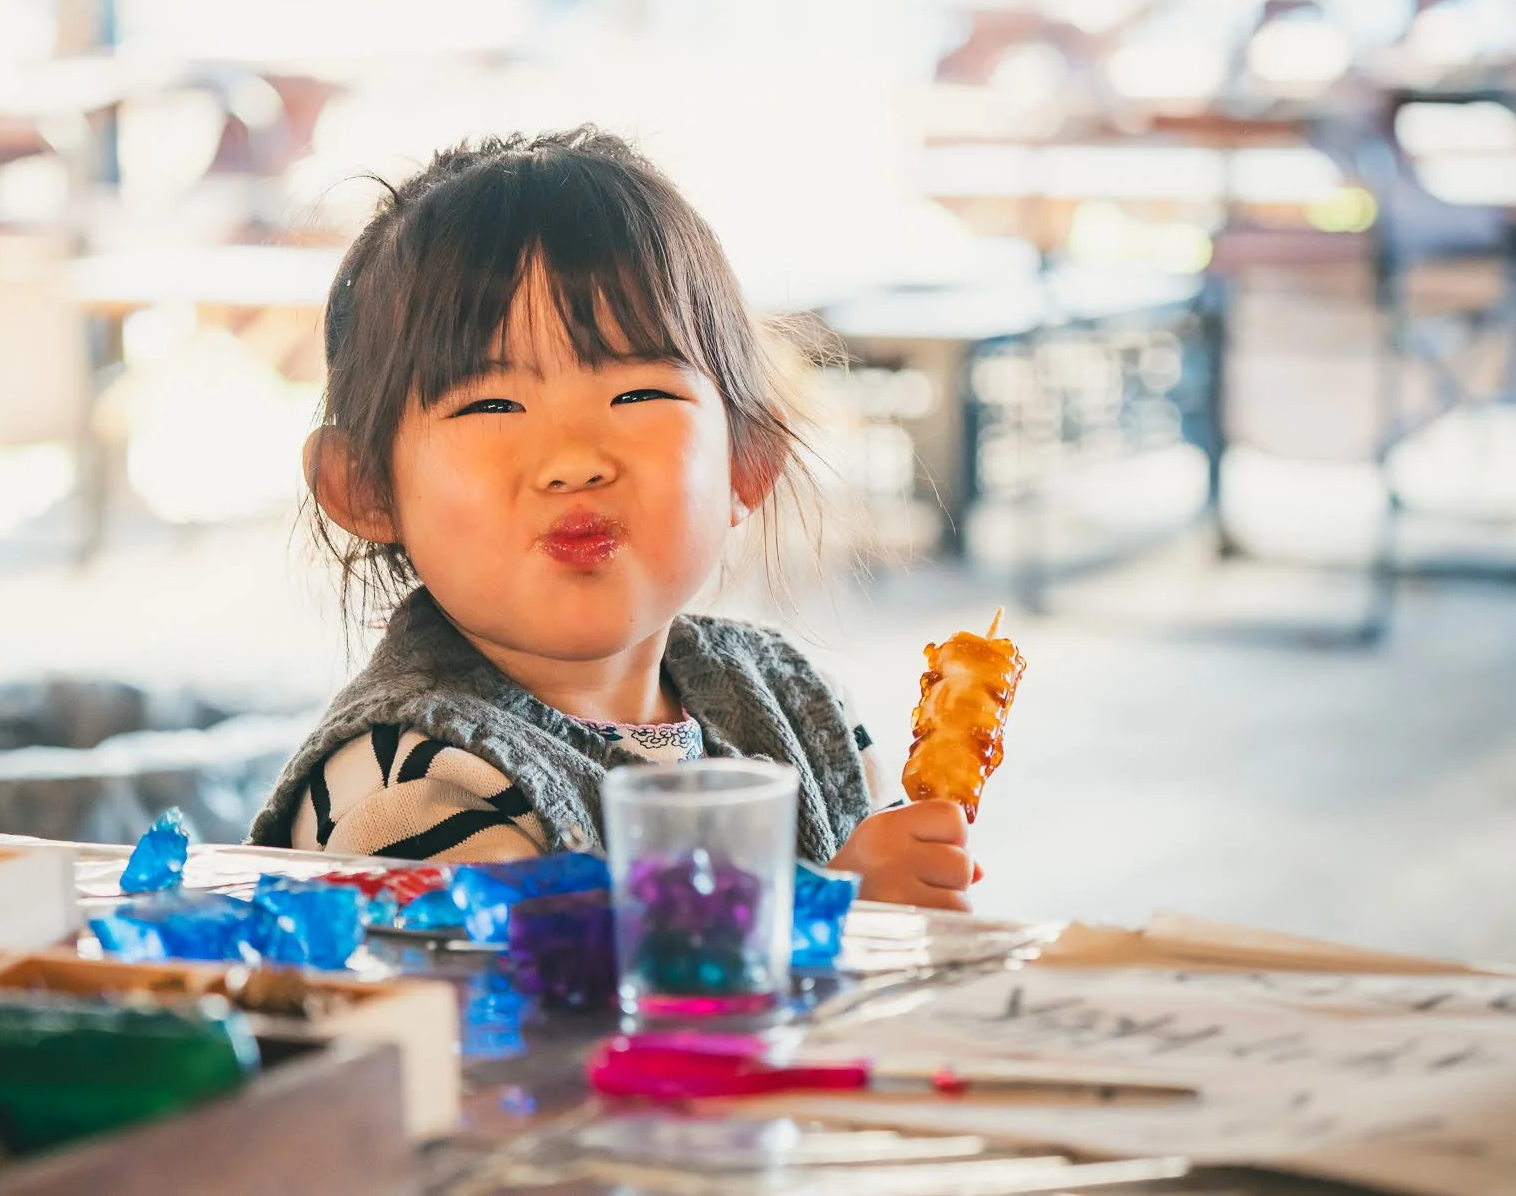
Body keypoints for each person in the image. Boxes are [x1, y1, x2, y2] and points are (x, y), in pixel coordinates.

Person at [247, 128, 977, 910]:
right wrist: (835, 912)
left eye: (638, 395)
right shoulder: (407, 786)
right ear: (366, 489)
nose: (574, 460)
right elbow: (512, 1019)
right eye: (493, 403)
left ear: (748, 460)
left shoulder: (800, 709)